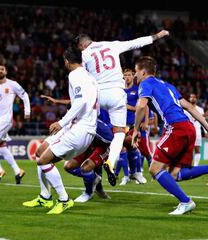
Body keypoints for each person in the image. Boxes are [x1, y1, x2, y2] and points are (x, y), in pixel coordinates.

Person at [75, 30, 170, 186]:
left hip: (98, 95)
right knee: (119, 133)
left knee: (92, 126)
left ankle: (89, 160)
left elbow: (82, 77)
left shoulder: (84, 55)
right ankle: (111, 161)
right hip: (116, 95)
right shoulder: (112, 45)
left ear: (82, 45)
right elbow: (136, 42)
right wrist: (157, 36)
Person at [22, 46, 98, 214]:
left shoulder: (75, 75)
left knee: (43, 161)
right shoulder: (90, 77)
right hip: (82, 126)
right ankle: (45, 197)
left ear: (66, 61)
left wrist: (61, 122)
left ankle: (64, 200)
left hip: (80, 129)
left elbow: (80, 103)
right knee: (40, 153)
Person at [132, 56, 208, 215]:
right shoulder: (168, 85)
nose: (134, 75)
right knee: (175, 174)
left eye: (136, 71)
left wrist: (136, 129)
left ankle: (186, 202)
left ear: (144, 72)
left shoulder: (146, 84)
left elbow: (141, 106)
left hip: (176, 128)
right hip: (189, 127)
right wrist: (206, 126)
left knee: (154, 169)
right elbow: (188, 106)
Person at [0, 62, 30, 185]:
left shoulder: (13, 84)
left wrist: (27, 111)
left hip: (6, 120)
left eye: (2, 69)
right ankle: (18, 170)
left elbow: (25, 96)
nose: (0, 71)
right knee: (1, 147)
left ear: (6, 72)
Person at [184, 93, 207, 166]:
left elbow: (202, 120)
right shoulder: (185, 109)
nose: (192, 98)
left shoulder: (200, 109)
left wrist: (205, 131)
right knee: (186, 149)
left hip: (197, 131)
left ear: (196, 99)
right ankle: (186, 164)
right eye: (191, 97)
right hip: (187, 131)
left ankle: (195, 165)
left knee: (197, 149)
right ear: (189, 99)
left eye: (194, 97)